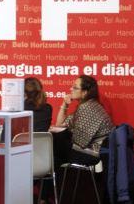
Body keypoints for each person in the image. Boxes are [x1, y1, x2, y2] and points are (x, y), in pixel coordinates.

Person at [40, 75, 114, 204]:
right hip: (88, 152)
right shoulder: (86, 105)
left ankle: (41, 194)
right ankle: (43, 198)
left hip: (91, 154)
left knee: (51, 141)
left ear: (84, 92)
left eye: (75, 87)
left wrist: (66, 137)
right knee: (55, 156)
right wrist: (64, 104)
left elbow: (81, 142)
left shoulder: (87, 107)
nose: (70, 89)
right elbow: (60, 123)